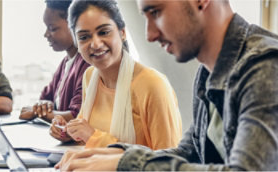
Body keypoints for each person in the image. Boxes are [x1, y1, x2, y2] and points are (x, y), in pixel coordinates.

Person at [55, 0, 278, 171]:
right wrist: (114, 155)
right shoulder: (207, 71)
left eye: (156, 13)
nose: (150, 35)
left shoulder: (265, 67)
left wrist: (130, 164)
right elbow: (189, 153)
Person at [50, 0, 182, 149]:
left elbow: (168, 161)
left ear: (122, 33)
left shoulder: (153, 85)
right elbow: (86, 135)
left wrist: (93, 136)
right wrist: (68, 132)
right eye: (84, 37)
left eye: (104, 32)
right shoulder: (90, 77)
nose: (96, 44)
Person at [19, 0, 90, 126]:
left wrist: (37, 113)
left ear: (73, 25)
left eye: (52, 28)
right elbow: (45, 98)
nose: (46, 34)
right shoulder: (65, 63)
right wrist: (43, 106)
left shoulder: (87, 64)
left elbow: (76, 116)